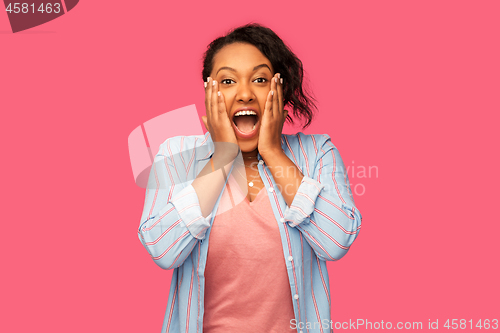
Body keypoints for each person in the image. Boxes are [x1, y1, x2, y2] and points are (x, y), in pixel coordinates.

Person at [137, 23, 362, 333]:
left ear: (280, 91)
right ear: (209, 93)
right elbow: (163, 250)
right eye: (227, 81)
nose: (244, 94)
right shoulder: (176, 155)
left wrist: (273, 151)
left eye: (259, 79)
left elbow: (336, 241)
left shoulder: (317, 152)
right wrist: (223, 157)